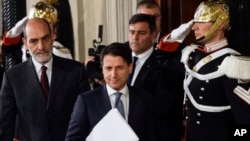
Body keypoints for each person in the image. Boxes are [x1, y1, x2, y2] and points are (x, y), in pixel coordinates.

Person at [0, 18, 90, 141]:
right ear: (25, 43)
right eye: (34, 41)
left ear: (53, 36)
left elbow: (86, 119)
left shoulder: (75, 72)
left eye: (45, 38)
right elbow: (5, 128)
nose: (41, 46)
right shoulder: (13, 78)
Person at [181, 0, 250, 141]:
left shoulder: (233, 64)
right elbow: (162, 58)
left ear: (221, 24)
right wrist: (175, 36)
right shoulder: (194, 55)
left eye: (202, 21)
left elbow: (245, 118)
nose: (194, 27)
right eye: (195, 22)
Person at [65, 42, 155, 141]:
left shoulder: (145, 99)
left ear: (130, 68)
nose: (113, 75)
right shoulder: (86, 101)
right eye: (108, 68)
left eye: (119, 68)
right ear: (102, 69)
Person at [128, 13, 183, 141]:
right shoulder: (119, 60)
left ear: (154, 35)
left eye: (141, 33)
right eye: (131, 32)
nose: (134, 38)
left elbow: (162, 110)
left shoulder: (166, 67)